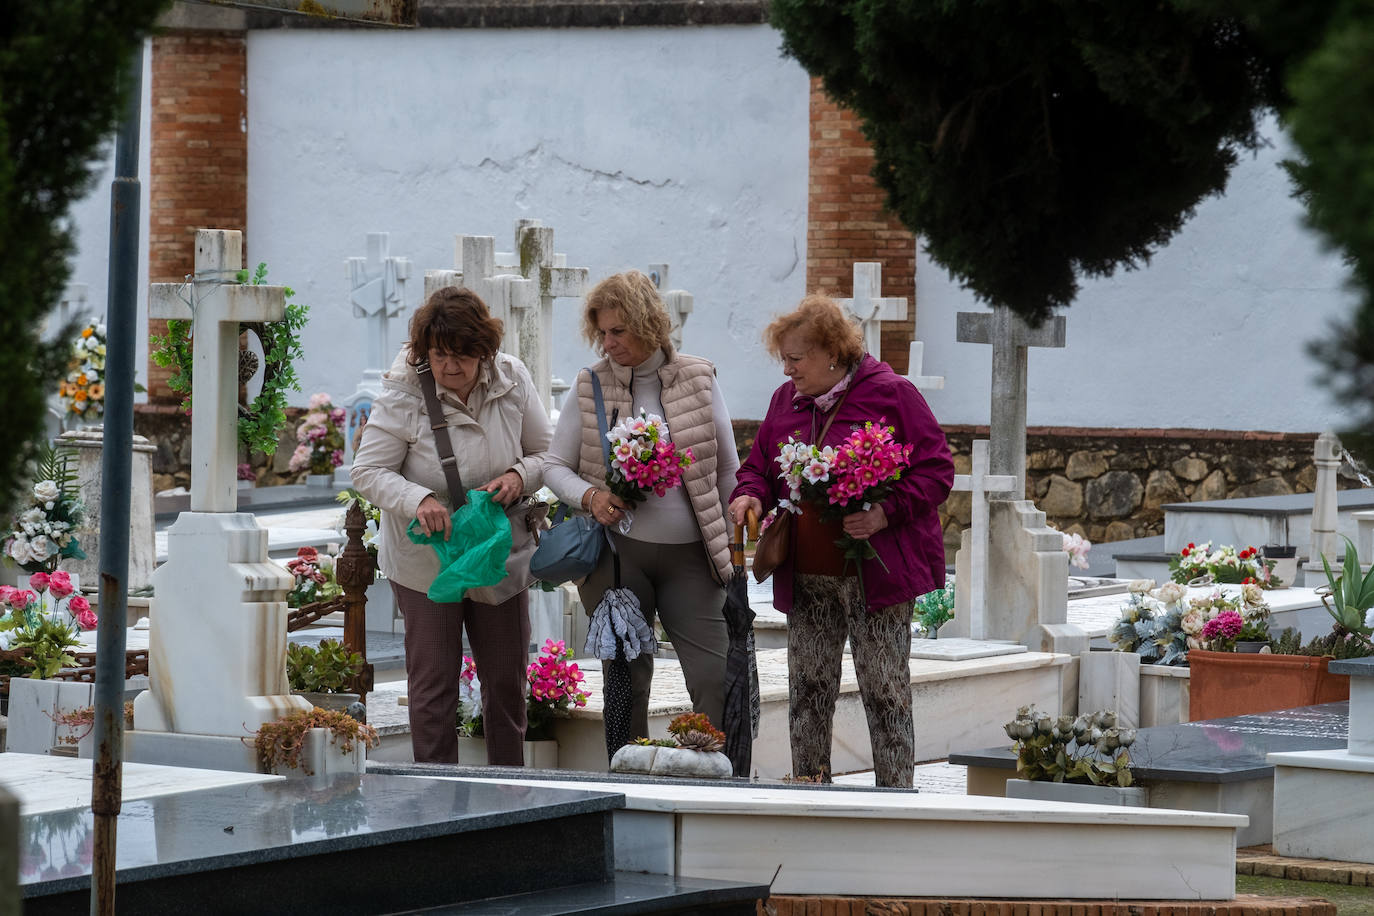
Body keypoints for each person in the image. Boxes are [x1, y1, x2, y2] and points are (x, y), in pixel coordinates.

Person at [728, 294, 954, 788]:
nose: (787, 370)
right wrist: (748, 496)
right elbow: (758, 468)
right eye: (783, 359)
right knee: (807, 692)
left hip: (875, 577)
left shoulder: (892, 394)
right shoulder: (784, 402)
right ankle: (811, 793)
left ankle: (896, 798)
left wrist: (883, 513)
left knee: (885, 692)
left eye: (796, 358)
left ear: (832, 352)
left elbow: (938, 470)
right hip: (807, 576)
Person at [351, 286, 552, 765]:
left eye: (462, 356)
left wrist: (517, 475)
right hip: (427, 561)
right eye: (440, 356)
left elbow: (549, 453)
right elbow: (367, 471)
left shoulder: (513, 378)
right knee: (434, 685)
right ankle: (435, 799)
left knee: (506, 679)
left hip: (495, 549)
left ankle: (509, 788)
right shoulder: (404, 389)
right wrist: (417, 497)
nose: (450, 368)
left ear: (485, 351)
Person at [544, 270, 739, 740]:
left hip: (692, 556)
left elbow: (728, 469)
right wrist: (591, 496)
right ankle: (627, 782)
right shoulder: (589, 383)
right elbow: (553, 465)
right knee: (627, 681)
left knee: (714, 677)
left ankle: (713, 779)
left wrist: (735, 542)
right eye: (602, 333)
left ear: (649, 325)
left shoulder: (699, 377)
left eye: (618, 331)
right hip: (617, 558)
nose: (608, 343)